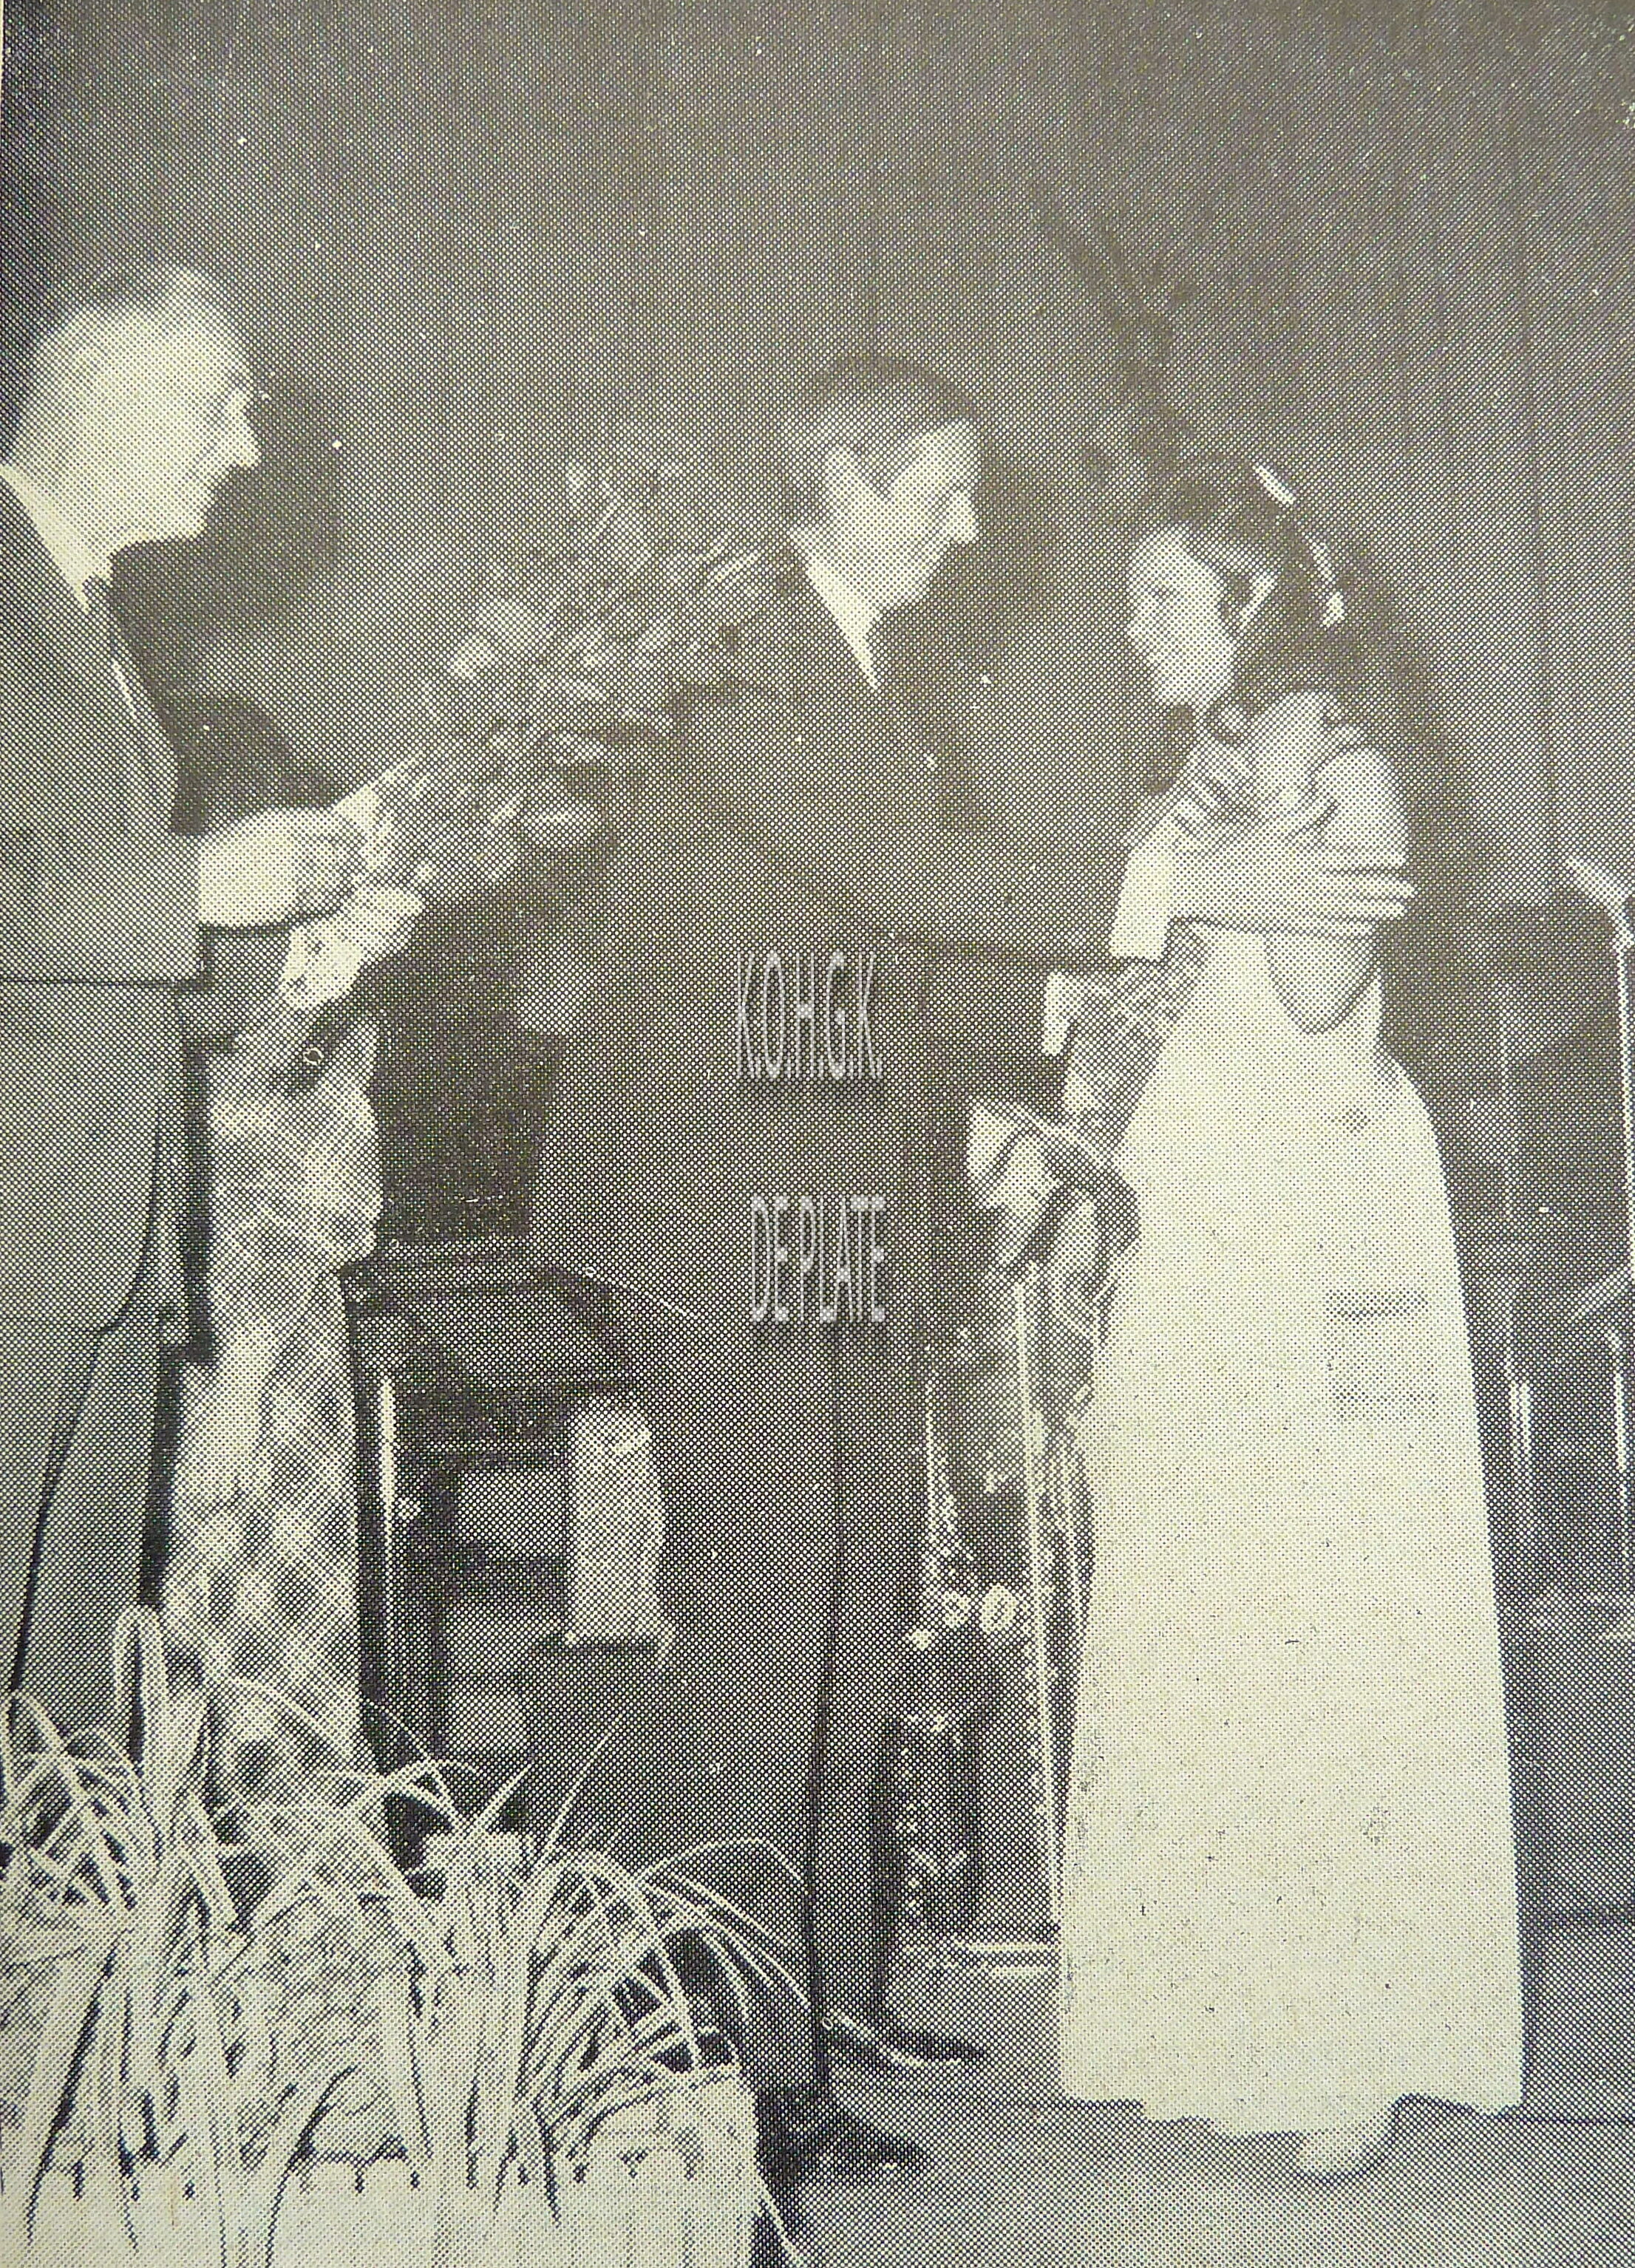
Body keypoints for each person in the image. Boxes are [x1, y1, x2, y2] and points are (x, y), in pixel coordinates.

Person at [529, 365, 1416, 2182]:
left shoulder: (860, 663)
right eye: (936, 491)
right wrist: (1177, 894)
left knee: (859, 1598)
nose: (966, 525)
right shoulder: (748, 642)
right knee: (768, 1622)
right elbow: (892, 871)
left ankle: (826, 2000)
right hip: (726, 1197)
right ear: (848, 480)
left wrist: (1051, 1009)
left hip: (821, 1184)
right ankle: (741, 2070)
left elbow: (852, 957)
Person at [1055, 459, 1523, 2173]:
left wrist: (1266, 798)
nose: (1129, 628)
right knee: (1203, 1596)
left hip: (1320, 1220)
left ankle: (1354, 2040)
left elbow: (1321, 987)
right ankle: (1219, 2013)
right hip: (1191, 1207)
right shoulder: (1181, 786)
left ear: (1255, 609)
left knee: (1331, 1600)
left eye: (1160, 598)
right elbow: (1130, 991)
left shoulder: (1345, 768)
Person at [0, 265, 375, 1736]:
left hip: (95, 1250)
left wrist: (303, 947)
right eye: (220, 404)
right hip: (25, 1238)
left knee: (68, 1734)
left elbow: (91, 959)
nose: (249, 446)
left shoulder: (85, 615)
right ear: (100, 380)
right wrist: (195, 879)